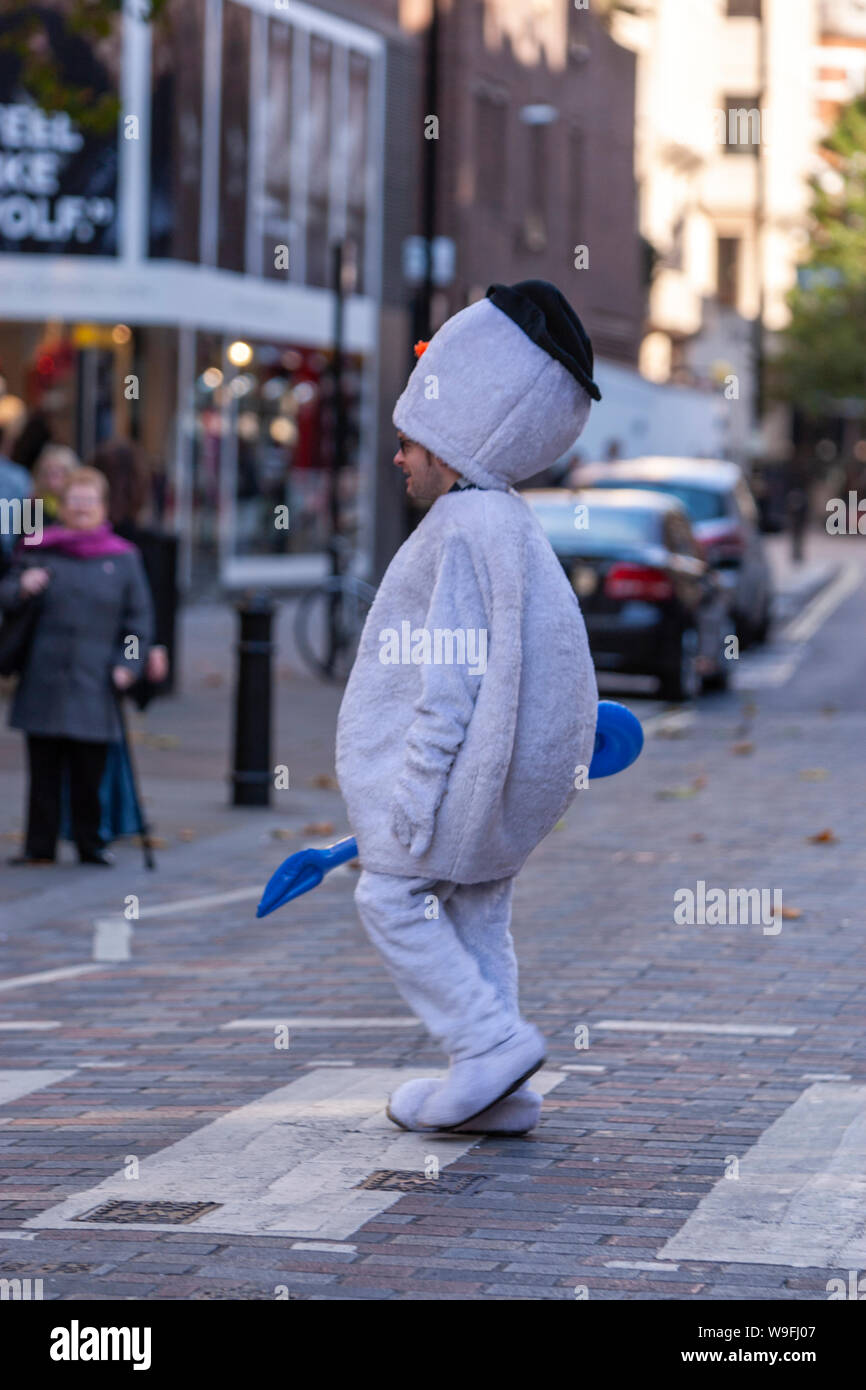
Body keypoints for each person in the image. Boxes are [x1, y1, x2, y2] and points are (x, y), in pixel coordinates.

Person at [335, 280, 601, 1135]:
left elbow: (448, 681)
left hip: (454, 783)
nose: (400, 459)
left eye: (410, 442)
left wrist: (410, 801)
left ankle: (486, 1043)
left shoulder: (461, 530)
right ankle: (503, 1089)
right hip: (508, 788)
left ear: (452, 439)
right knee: (479, 905)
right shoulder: (513, 524)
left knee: (389, 898)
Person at [0, 466, 153, 866]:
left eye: (90, 501)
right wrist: (22, 585)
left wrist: (128, 666)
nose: (82, 509)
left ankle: (91, 842)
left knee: (90, 769)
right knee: (44, 768)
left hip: (96, 677)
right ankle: (40, 845)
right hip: (44, 673)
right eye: (75, 501)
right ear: (62, 506)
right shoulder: (37, 547)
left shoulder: (123, 558)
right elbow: (7, 595)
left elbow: (138, 624)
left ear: (104, 507)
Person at [31, 444, 79, 524]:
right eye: (47, 473)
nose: (52, 480)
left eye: (60, 473)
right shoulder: (32, 507)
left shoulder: (81, 506)